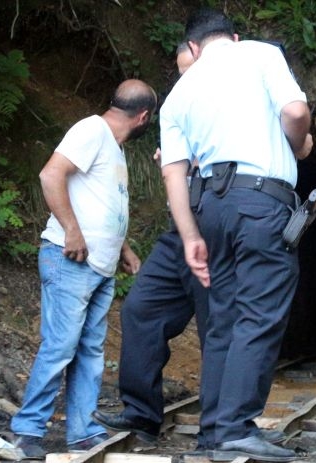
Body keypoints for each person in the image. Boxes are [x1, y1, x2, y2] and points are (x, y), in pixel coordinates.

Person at [159, 7, 312, 462]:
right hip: (260, 202)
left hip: (207, 207)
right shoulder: (260, 54)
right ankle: (234, 429)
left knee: (221, 319)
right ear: (235, 36)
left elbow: (173, 174)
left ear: (193, 47)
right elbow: (296, 111)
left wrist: (189, 237)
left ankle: (214, 431)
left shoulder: (177, 94)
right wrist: (298, 142)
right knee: (259, 312)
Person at [10, 79, 157, 459]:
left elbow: (99, 201)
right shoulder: (92, 130)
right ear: (144, 117)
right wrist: (72, 231)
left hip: (98, 266)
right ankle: (27, 431)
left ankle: (83, 431)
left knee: (90, 351)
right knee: (60, 347)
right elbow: (50, 175)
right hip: (69, 257)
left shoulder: (113, 147)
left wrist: (123, 248)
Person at [89, 43, 207, 445]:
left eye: (192, 69)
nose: (186, 78)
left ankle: (223, 425)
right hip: (181, 230)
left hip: (223, 226)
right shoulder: (183, 108)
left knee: (216, 326)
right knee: (141, 309)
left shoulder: (245, 100)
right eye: (181, 71)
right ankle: (141, 414)